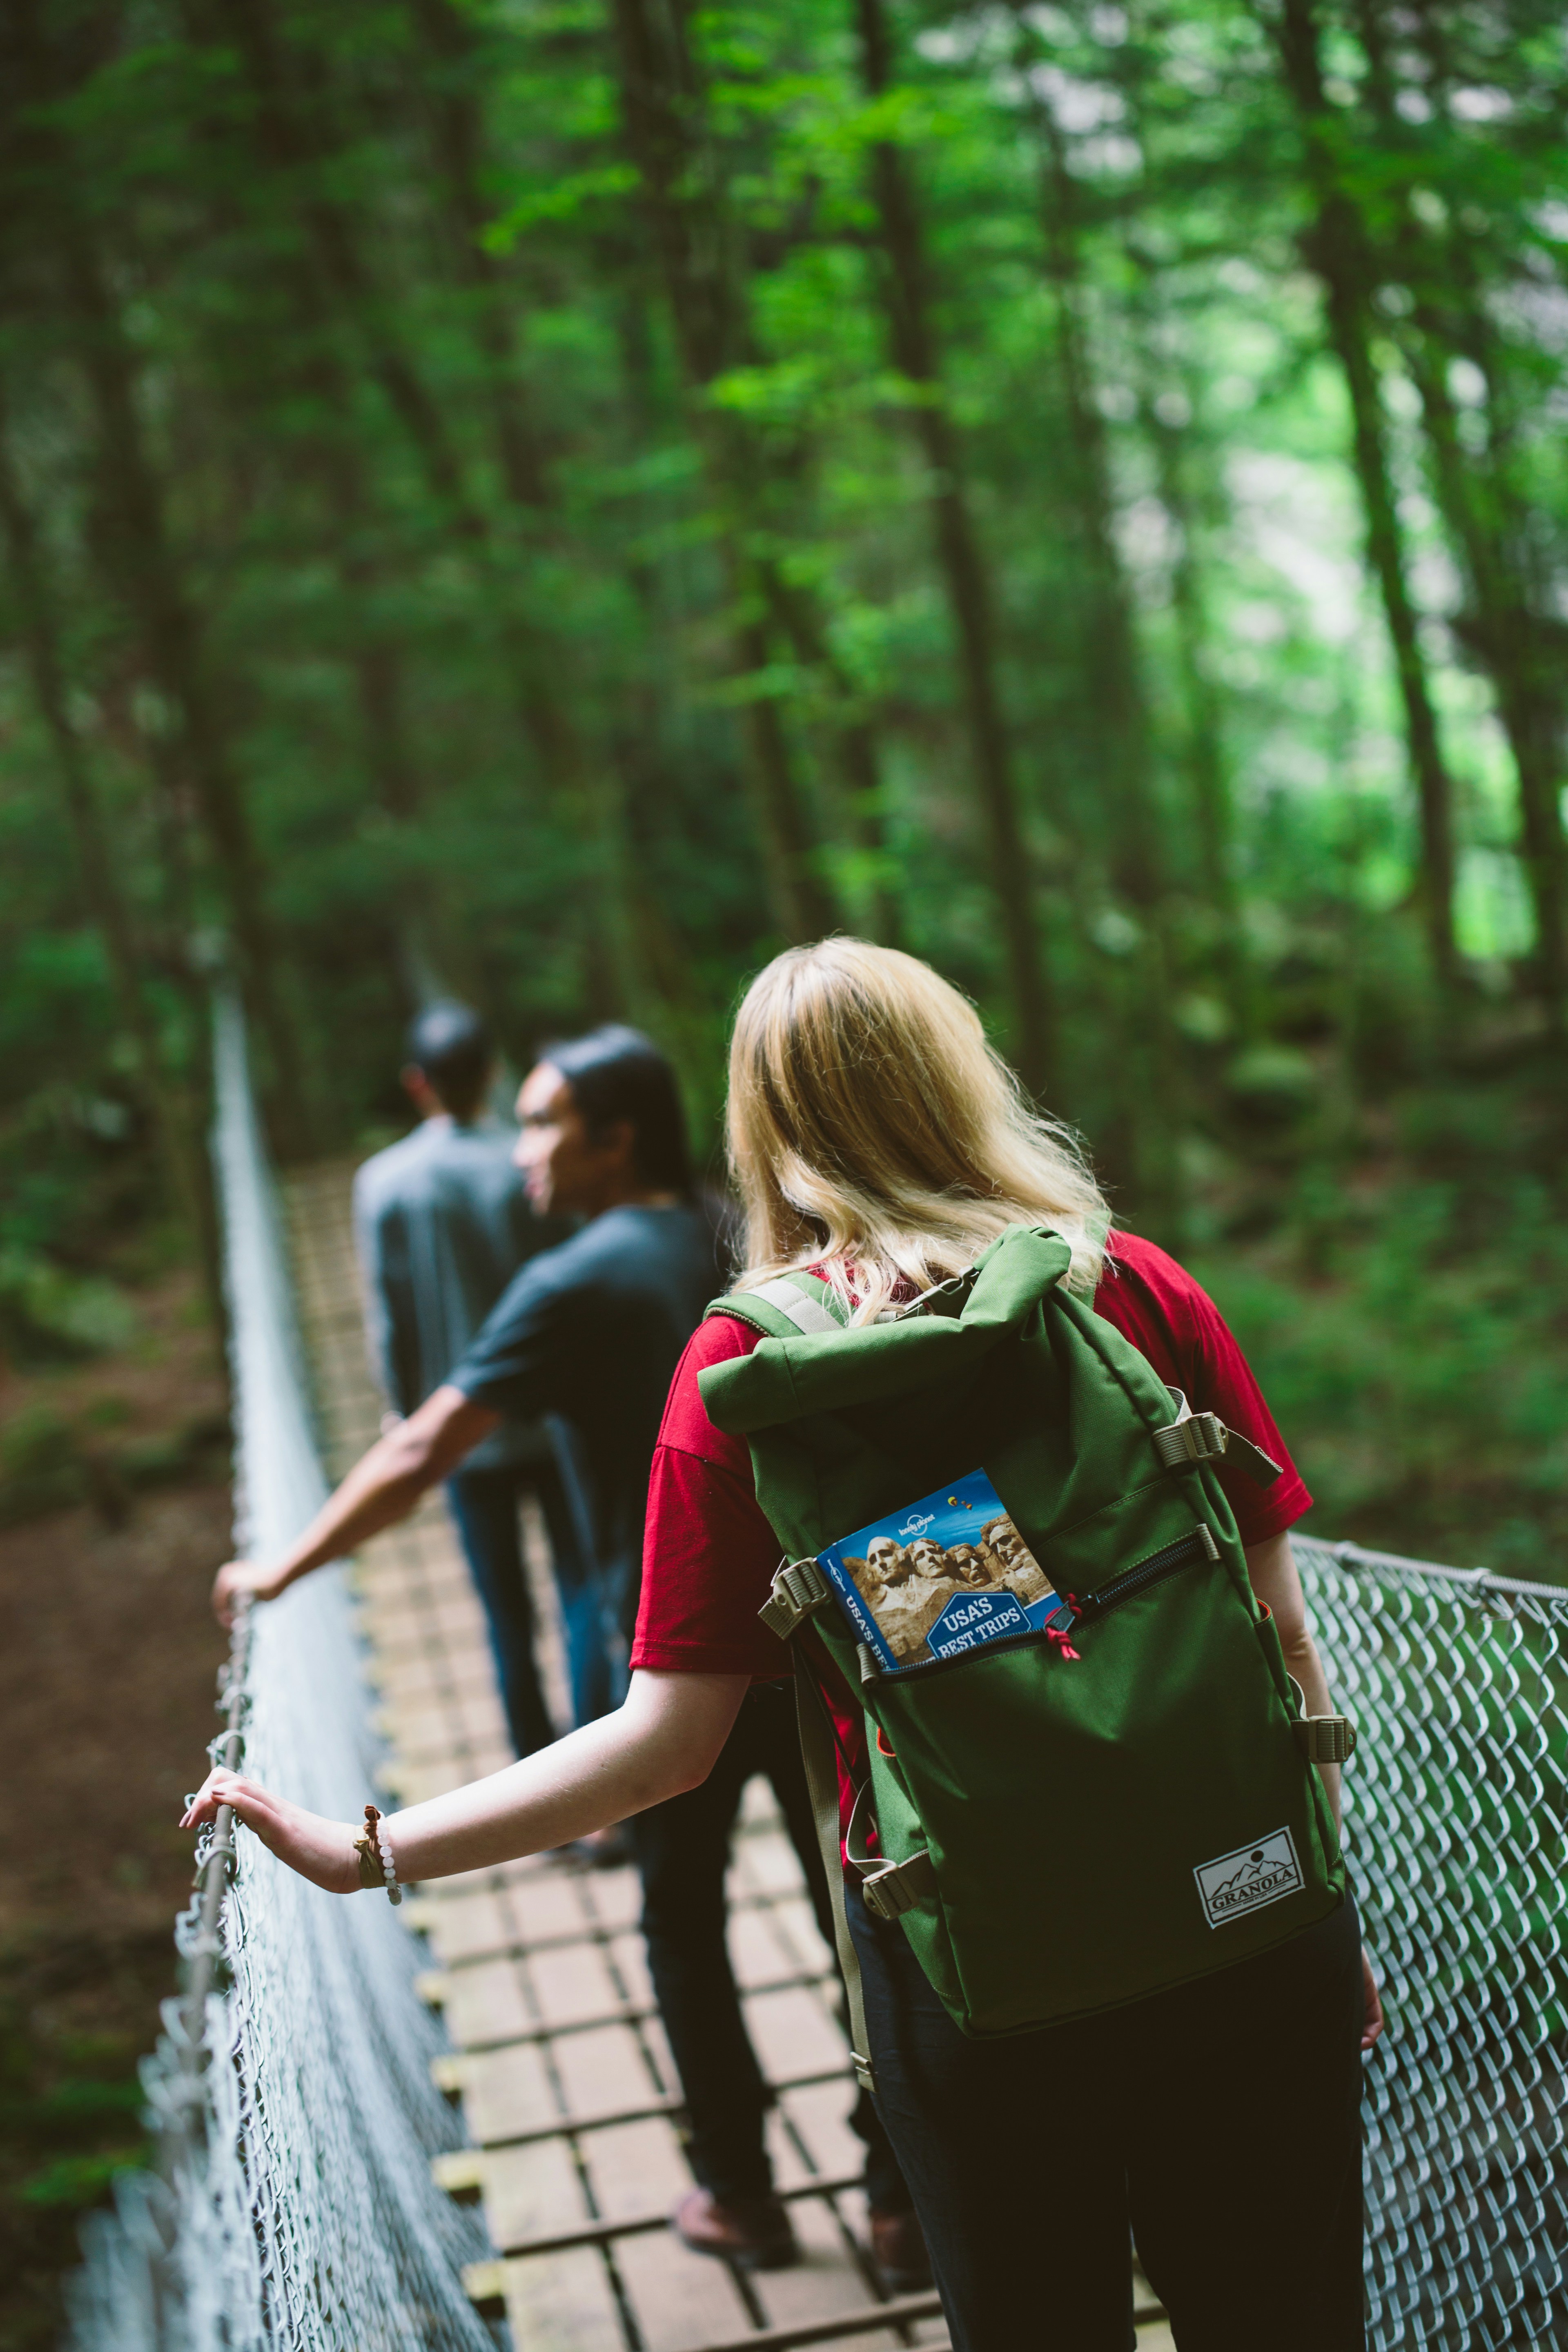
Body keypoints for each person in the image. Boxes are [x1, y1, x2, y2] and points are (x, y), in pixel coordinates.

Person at [189, 943, 1380, 2350]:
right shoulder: (1133, 1291)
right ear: (965, 1077)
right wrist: (1317, 1898)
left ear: (763, 1128)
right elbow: (1281, 1642)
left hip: (977, 1977)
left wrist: (373, 1851)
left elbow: (662, 1754)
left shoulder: (746, 1377)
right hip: (1244, 1926)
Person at [207, 1017, 920, 2283]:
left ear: (615, 1137)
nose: (521, 1146)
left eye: (544, 1123)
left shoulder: (572, 1280)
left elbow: (425, 1447)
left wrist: (280, 1566)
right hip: (819, 1637)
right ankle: (899, 2194)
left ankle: (745, 2198)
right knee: (856, 1906)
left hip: (655, 1655)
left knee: (682, 1926)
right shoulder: (757, 1239)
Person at [354, 1001, 605, 1755]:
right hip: (558, 1416)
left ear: (415, 1084)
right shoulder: (532, 1156)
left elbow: (391, 1318)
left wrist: (408, 1419)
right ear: (495, 1072)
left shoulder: (385, 1183)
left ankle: (537, 1778)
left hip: (459, 1432)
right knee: (586, 1592)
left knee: (504, 1614)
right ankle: (599, 1770)